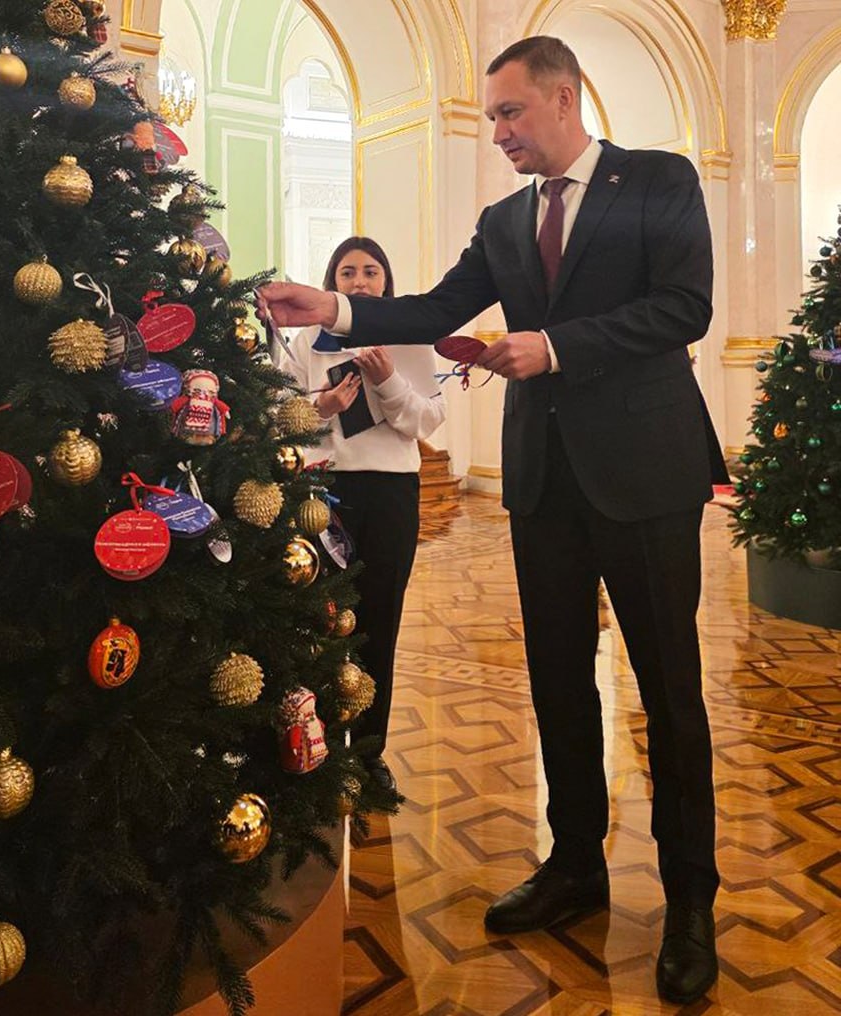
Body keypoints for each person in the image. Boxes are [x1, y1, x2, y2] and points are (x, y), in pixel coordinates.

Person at [259, 37, 728, 1007]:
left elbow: (684, 308)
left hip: (647, 472)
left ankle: (690, 900)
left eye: (511, 113)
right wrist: (335, 308)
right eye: (494, 116)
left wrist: (553, 346)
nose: (500, 131)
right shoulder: (504, 220)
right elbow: (433, 306)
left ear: (563, 98)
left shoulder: (659, 181)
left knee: (668, 690)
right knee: (557, 679)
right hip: (546, 483)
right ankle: (574, 865)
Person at [278, 237, 445, 793]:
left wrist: (389, 381)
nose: (359, 282)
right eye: (347, 272)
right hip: (324, 488)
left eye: (371, 272)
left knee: (379, 623)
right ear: (332, 283)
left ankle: (370, 753)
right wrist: (320, 408)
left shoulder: (413, 338)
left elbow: (428, 422)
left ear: (385, 282)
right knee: (319, 620)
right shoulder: (307, 341)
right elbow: (279, 416)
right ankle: (314, 743)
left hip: (392, 493)